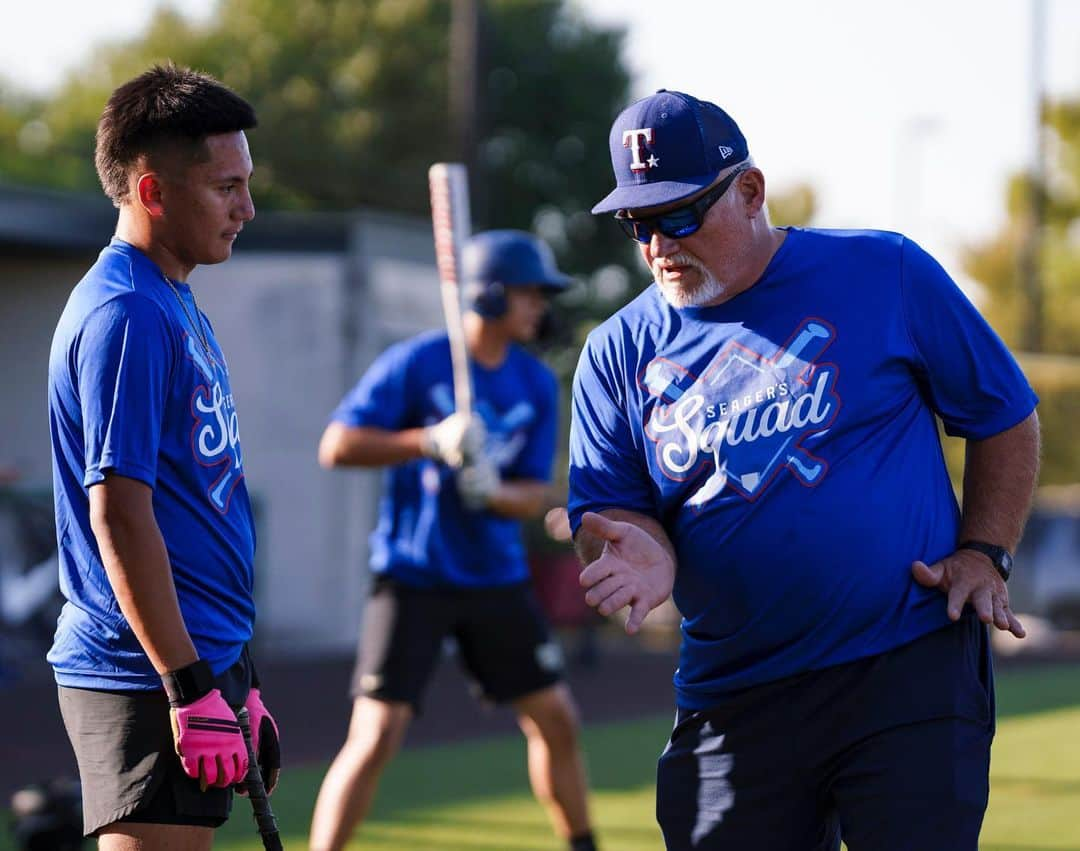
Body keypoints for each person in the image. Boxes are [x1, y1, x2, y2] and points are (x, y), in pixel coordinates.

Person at [568, 89, 1040, 851]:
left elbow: (1004, 414)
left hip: (903, 661)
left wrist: (985, 552)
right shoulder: (616, 351)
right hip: (735, 688)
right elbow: (607, 512)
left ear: (750, 191)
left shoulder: (882, 271)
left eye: (681, 215)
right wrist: (635, 543)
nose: (658, 244)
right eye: (639, 223)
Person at [47, 65, 279, 849]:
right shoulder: (128, 312)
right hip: (143, 674)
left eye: (246, 184)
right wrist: (188, 686)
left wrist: (233, 675)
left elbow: (198, 510)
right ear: (152, 193)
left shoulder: (172, 295)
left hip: (194, 668)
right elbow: (118, 513)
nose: (246, 207)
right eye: (226, 187)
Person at [309, 230, 599, 851]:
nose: (540, 308)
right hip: (412, 574)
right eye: (531, 294)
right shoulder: (416, 362)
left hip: (495, 578)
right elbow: (336, 446)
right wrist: (428, 440)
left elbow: (534, 493)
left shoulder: (536, 381)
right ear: (492, 296)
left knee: (557, 722)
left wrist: (489, 490)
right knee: (377, 732)